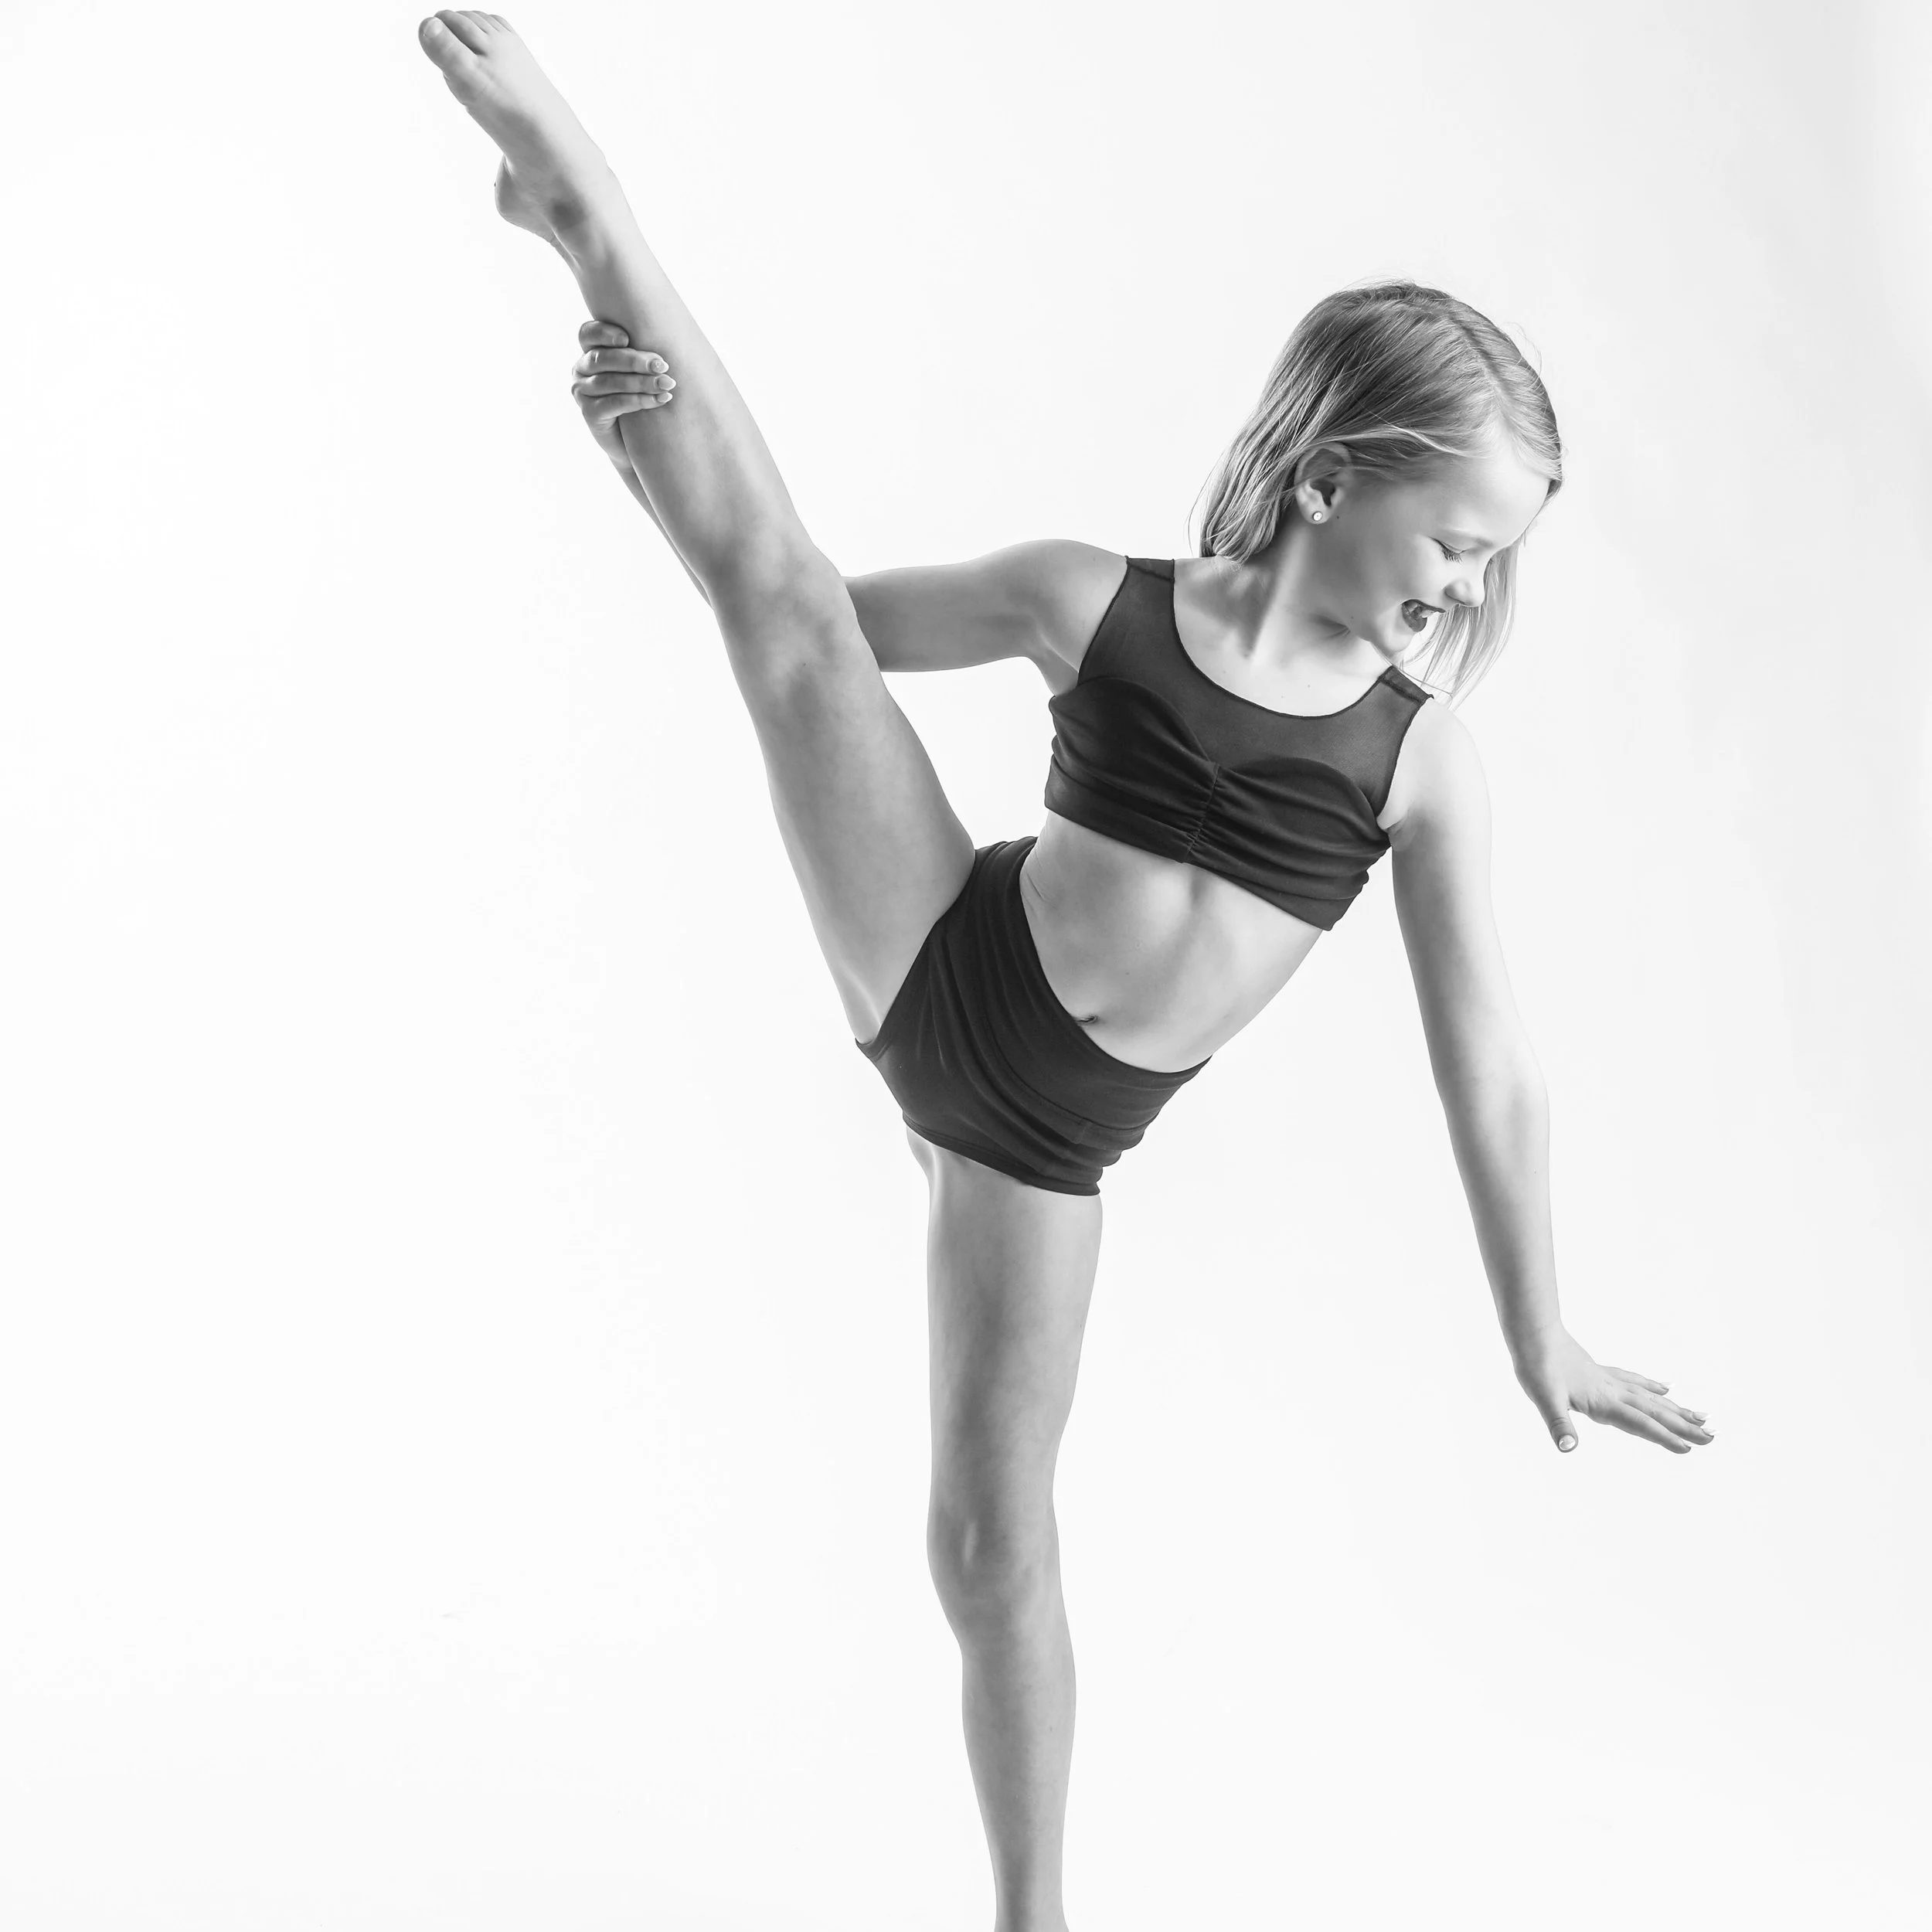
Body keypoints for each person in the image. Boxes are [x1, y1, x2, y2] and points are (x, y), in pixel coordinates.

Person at [419, 13, 1713, 1927]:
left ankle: (1030, 1915)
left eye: (1489, 561)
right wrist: (642, 466)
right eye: (1450, 535)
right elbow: (802, 617)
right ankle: (580, 203)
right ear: (1334, 473)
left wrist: (1540, 1328)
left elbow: (1491, 1062)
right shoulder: (1087, 600)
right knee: (778, 622)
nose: (1461, 585)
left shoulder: (1411, 756)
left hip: (1040, 1143)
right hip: (939, 960)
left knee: (985, 1540)